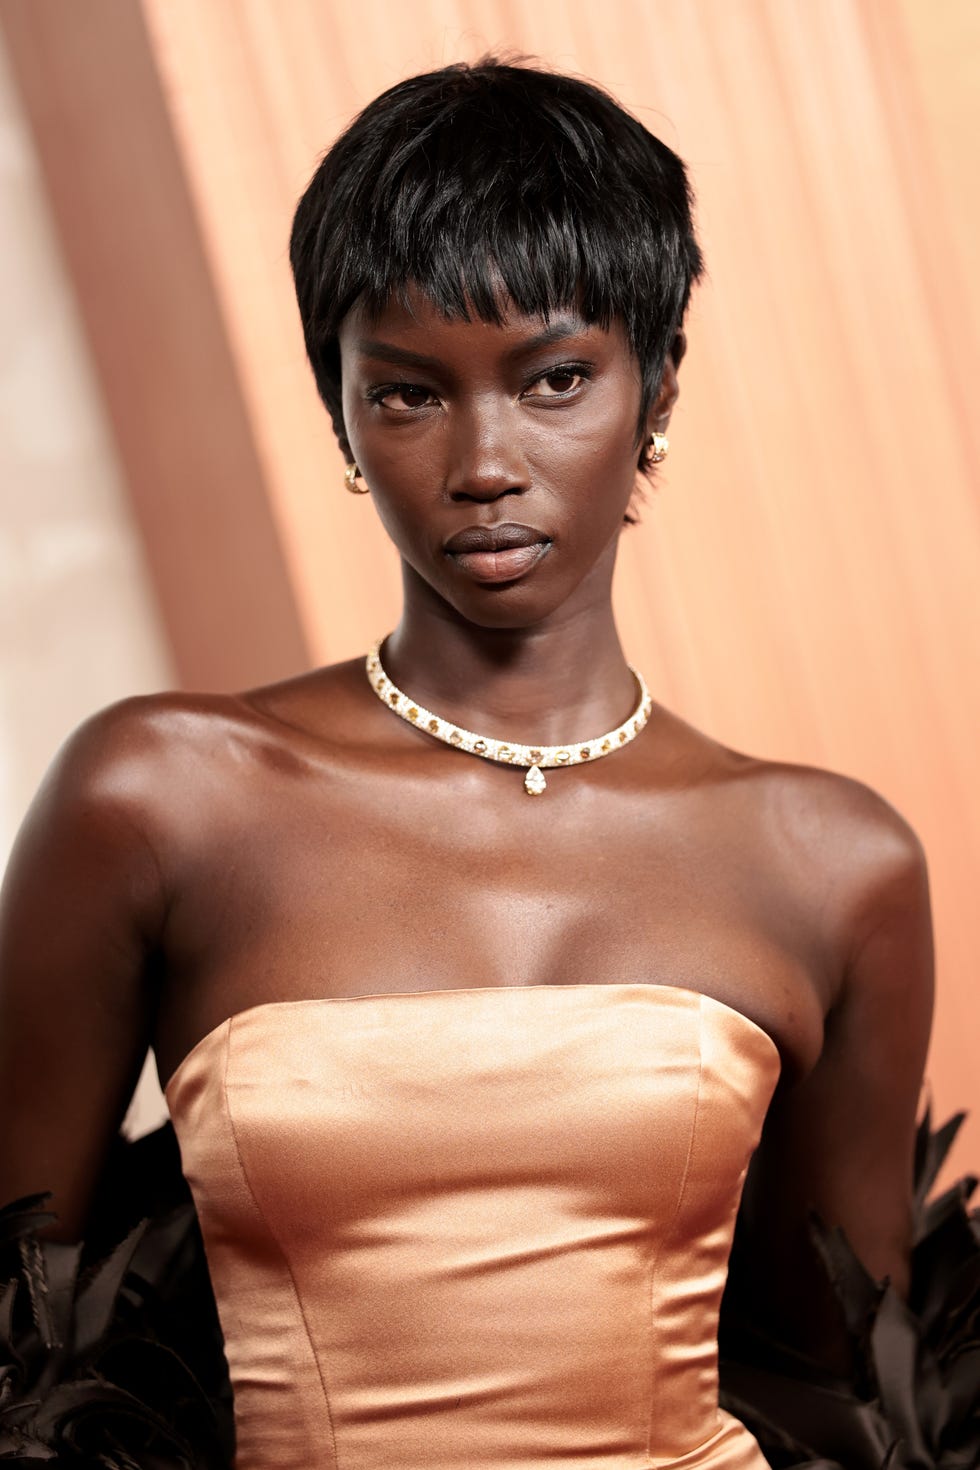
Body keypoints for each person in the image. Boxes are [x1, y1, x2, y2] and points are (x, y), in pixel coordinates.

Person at [0, 56, 952, 1470]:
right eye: (406, 395)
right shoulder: (161, 796)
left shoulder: (831, 863)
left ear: (657, 383)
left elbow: (841, 1388)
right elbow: (19, 1330)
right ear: (338, 412)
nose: (485, 459)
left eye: (556, 378)